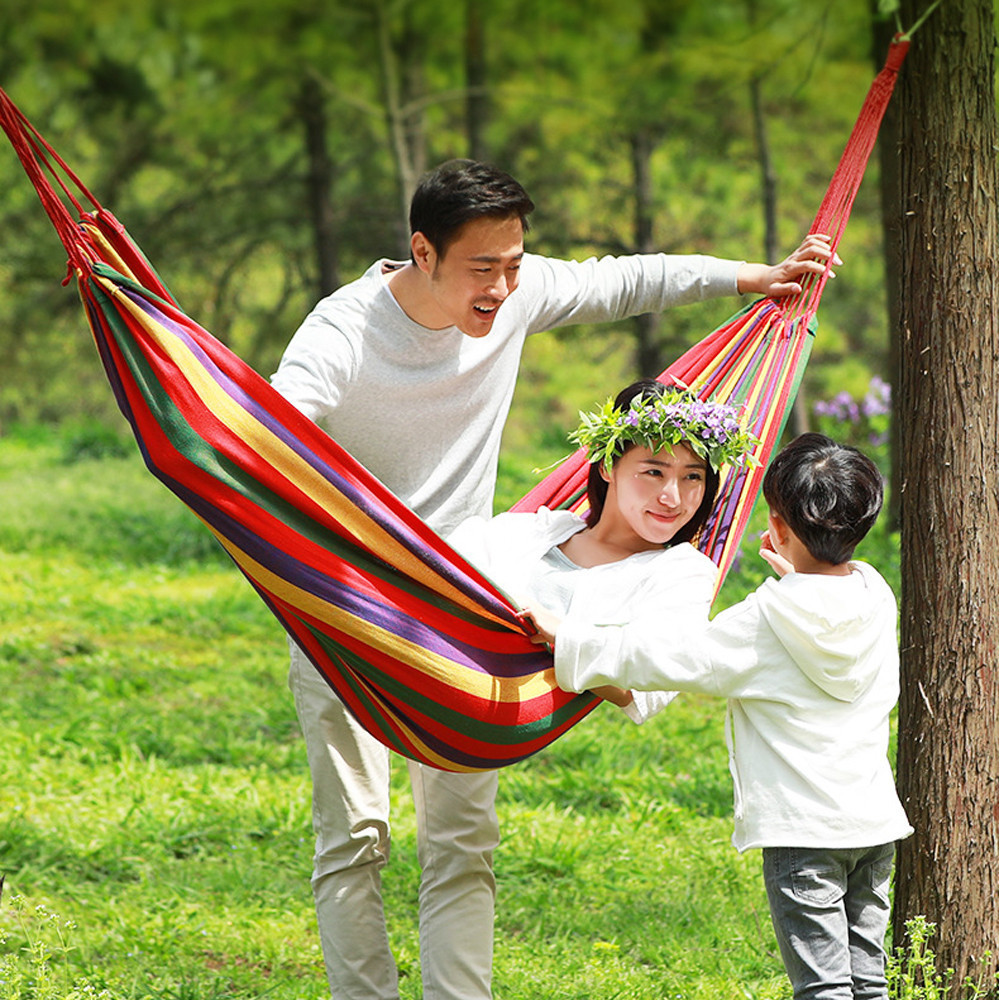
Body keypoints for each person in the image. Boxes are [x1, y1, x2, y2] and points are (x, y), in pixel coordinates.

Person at [269, 156, 840, 1000]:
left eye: (514, 264)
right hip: (345, 604)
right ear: (423, 253)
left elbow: (625, 281)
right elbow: (271, 424)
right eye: (483, 268)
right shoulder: (345, 330)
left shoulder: (516, 292)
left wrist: (754, 278)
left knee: (462, 843)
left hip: (468, 609)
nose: (503, 288)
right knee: (354, 836)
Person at [538, 433, 913, 1000]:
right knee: (868, 982)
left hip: (805, 833)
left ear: (777, 526)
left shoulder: (765, 620)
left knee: (824, 988)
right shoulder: (874, 594)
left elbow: (672, 656)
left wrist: (569, 638)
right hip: (873, 825)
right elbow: (822, 615)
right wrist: (798, 575)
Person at [449, 378, 757, 725]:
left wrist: (560, 634)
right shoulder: (535, 530)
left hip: (491, 717)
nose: (672, 498)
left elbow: (651, 683)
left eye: (692, 477)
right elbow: (436, 564)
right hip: (430, 667)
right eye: (654, 472)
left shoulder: (682, 573)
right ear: (608, 466)